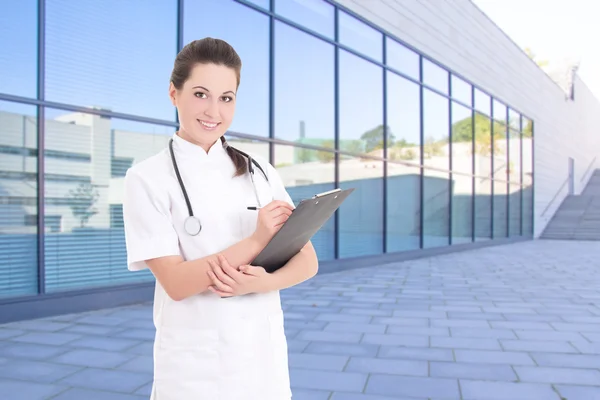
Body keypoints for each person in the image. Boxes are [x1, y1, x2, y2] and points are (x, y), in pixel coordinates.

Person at [122, 37, 319, 400]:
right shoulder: (147, 178)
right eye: (200, 94)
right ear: (173, 94)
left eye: (226, 98)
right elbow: (177, 283)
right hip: (195, 369)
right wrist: (257, 241)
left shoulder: (260, 171)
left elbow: (307, 261)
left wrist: (256, 285)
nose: (213, 111)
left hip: (263, 361)